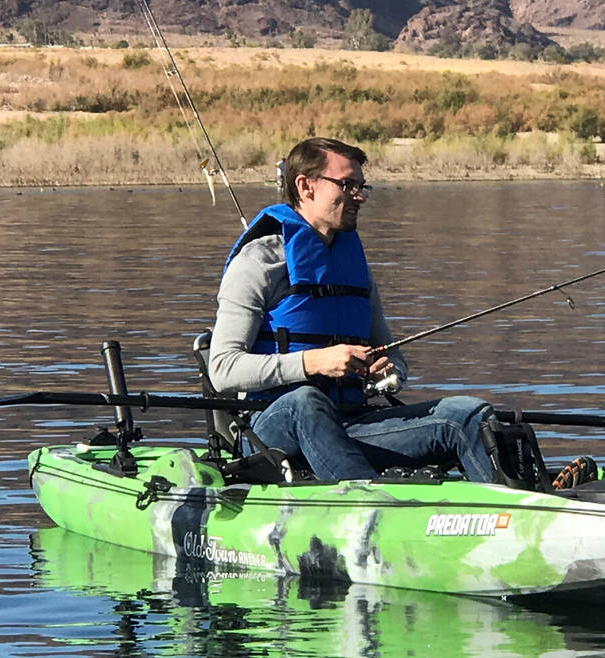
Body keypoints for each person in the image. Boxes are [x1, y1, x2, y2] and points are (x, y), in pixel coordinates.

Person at [208, 137, 497, 482]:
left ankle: (521, 507)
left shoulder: (356, 268)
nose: (359, 196)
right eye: (347, 185)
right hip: (270, 429)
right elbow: (223, 370)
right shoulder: (259, 261)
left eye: (362, 186)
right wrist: (314, 362)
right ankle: (372, 507)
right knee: (305, 402)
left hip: (350, 423)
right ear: (306, 187)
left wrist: (388, 374)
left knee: (466, 415)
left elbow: (396, 360)